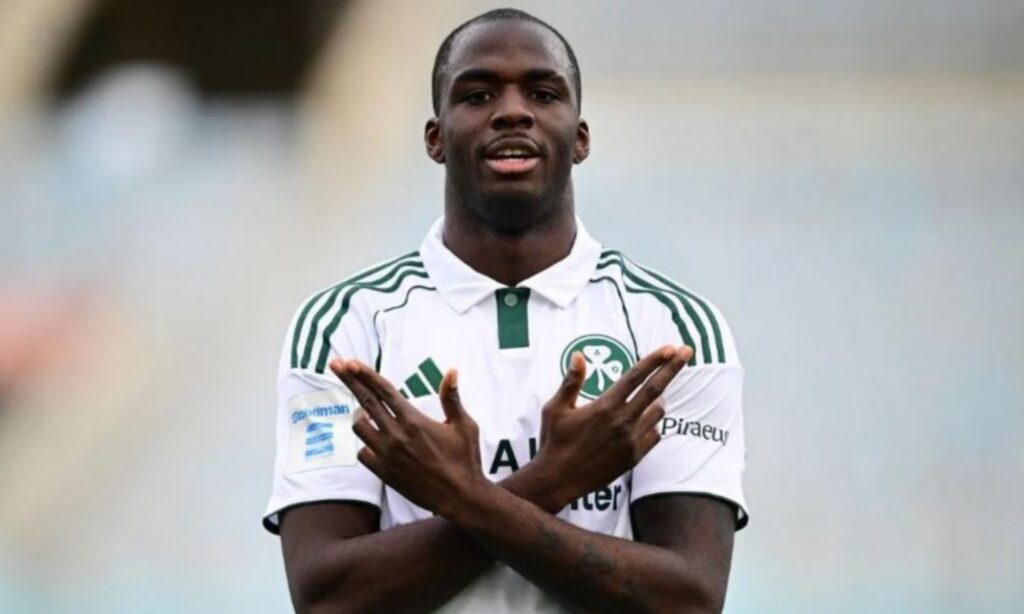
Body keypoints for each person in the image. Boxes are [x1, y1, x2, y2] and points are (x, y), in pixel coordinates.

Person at [263, 8, 747, 613]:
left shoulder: (672, 329)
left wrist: (463, 495)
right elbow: (328, 600)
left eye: (543, 93)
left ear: (580, 137)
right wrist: (556, 480)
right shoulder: (346, 326)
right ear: (435, 138)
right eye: (477, 94)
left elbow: (689, 600)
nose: (512, 111)